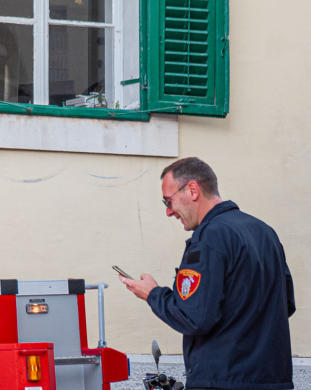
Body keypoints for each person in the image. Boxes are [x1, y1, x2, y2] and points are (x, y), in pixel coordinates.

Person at [120, 157, 295, 390]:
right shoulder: (265, 232)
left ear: (192, 190)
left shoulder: (209, 237)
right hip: (274, 381)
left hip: (222, 381)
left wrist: (153, 294)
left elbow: (194, 318)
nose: (168, 212)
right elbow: (286, 305)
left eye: (168, 201)